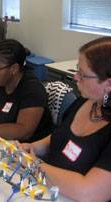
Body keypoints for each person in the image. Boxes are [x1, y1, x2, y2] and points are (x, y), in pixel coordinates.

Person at [20, 37, 111, 201]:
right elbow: (61, 136)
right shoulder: (86, 101)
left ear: (109, 84)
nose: (75, 77)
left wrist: (34, 165)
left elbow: (90, 192)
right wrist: (32, 147)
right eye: (77, 70)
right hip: (50, 190)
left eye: (82, 74)